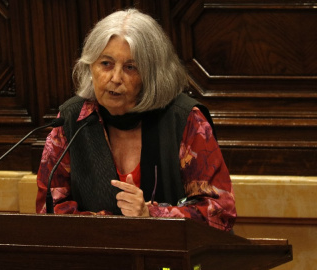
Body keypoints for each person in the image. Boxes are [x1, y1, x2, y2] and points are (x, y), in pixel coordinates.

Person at [36, 9, 236, 232]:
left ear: (152, 75)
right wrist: (114, 228)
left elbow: (219, 213)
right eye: (106, 64)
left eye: (130, 67)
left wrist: (151, 214)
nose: (115, 78)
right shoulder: (70, 121)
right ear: (90, 66)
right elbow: (49, 210)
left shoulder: (184, 120)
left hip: (168, 262)